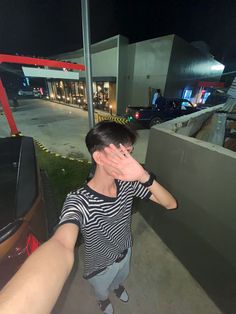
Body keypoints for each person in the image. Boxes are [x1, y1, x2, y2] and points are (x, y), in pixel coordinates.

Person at [0, 121, 177, 314]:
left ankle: (117, 287)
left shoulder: (128, 184)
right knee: (101, 290)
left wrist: (143, 176)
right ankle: (103, 301)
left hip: (126, 250)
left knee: (120, 278)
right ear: (99, 157)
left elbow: (170, 204)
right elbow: (60, 244)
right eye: (122, 154)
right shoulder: (78, 201)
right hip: (99, 266)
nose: (130, 162)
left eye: (130, 153)